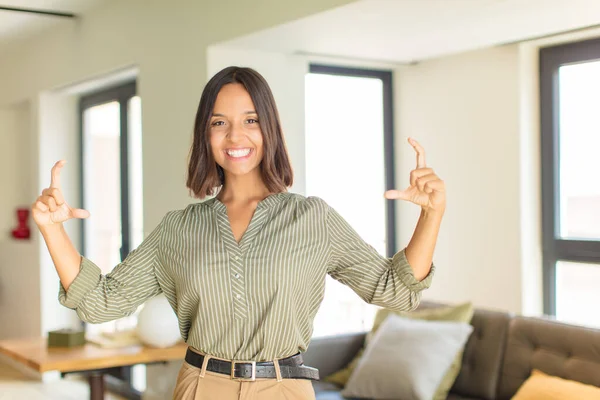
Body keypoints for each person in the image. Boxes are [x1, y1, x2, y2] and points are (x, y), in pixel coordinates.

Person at [31, 66, 445, 400]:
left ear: (268, 128)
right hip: (200, 387)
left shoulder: (313, 219)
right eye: (219, 122)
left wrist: (432, 214)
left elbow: (395, 290)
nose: (235, 136)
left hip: (284, 389)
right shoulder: (178, 229)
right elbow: (101, 302)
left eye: (250, 120)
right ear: (205, 134)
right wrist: (52, 231)